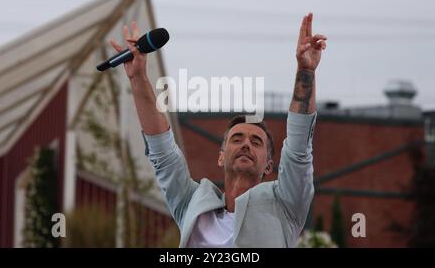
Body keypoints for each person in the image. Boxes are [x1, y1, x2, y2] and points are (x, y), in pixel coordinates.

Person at [109, 13, 327, 247]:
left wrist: (306, 72)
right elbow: (161, 150)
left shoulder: (285, 204)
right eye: (236, 139)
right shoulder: (192, 203)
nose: (245, 144)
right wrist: (138, 77)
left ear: (269, 165)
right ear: (221, 156)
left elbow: (299, 148)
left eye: (256, 142)